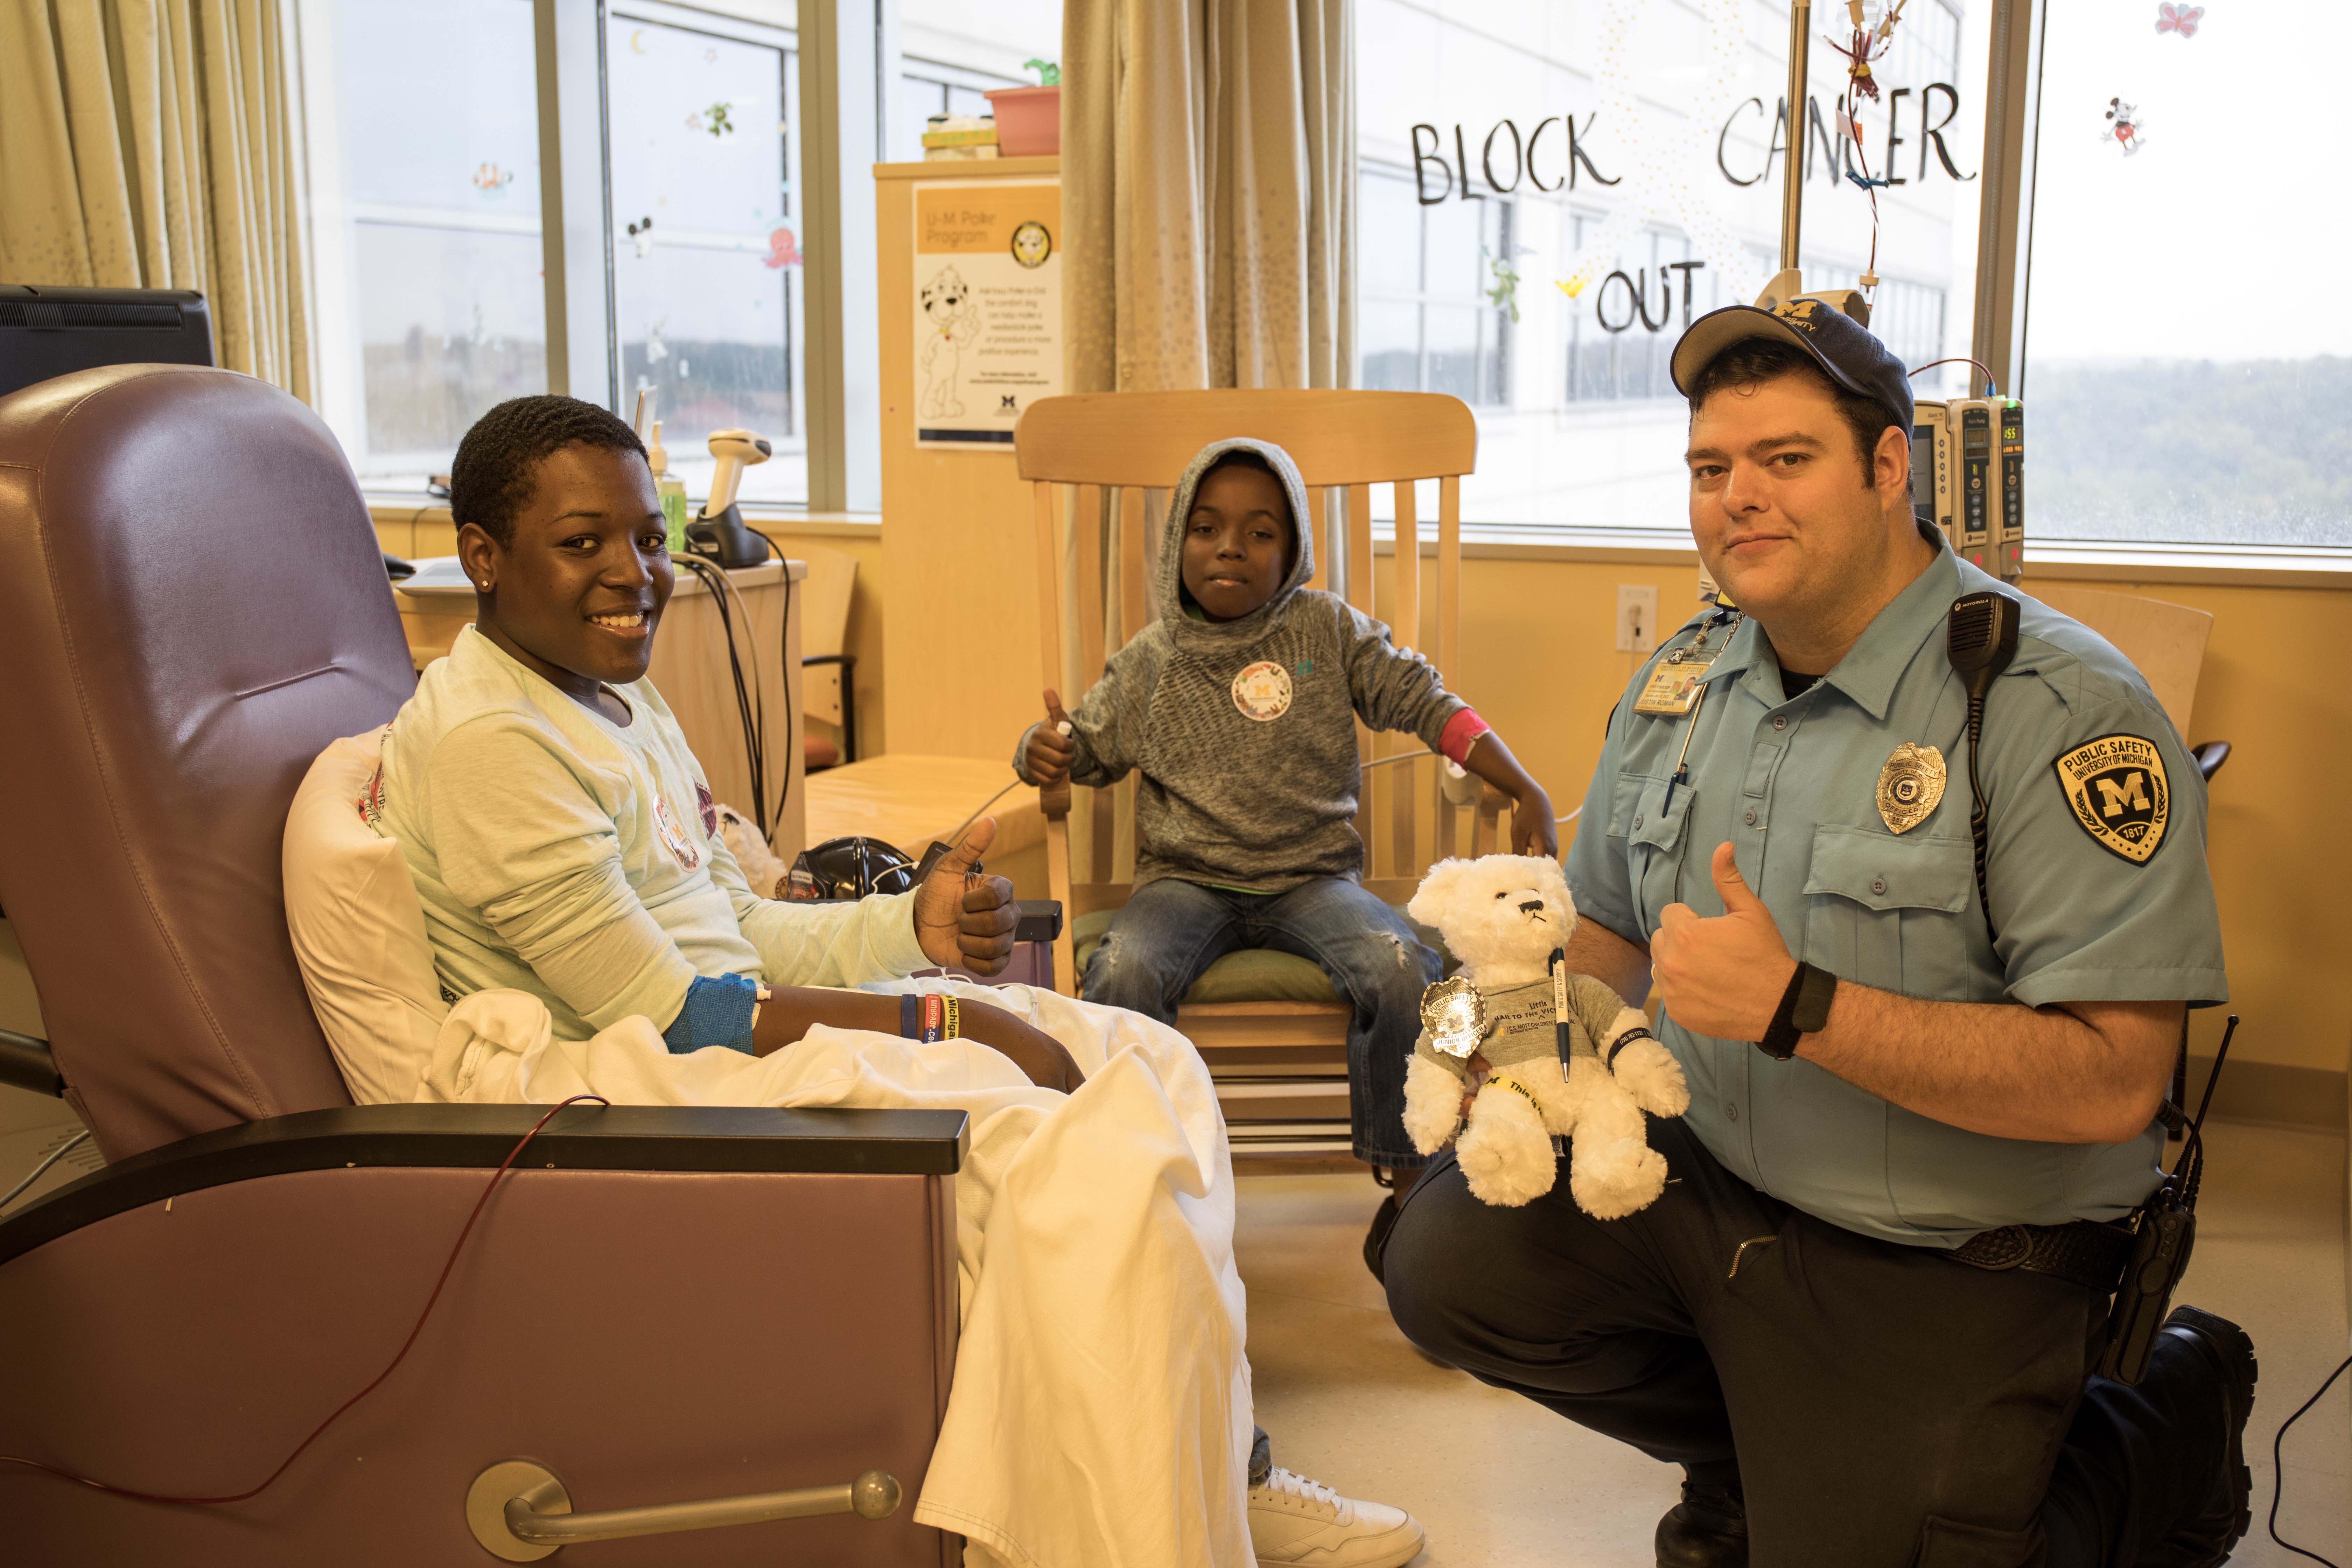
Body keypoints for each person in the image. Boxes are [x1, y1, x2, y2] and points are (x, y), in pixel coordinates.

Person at [373, 395, 1426, 1568]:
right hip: (650, 1080)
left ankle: (1217, 1459)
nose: (637, 574)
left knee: (1150, 1058)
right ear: (481, 555)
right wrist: (943, 1015)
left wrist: (908, 924)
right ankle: (1136, 1531)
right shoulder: (491, 749)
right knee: (1093, 1154)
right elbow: (672, 1012)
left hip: (731, 1023)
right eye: (585, 544)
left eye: (650, 539)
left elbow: (746, 931)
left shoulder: (611, 697)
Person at [1380, 302, 2255, 1568]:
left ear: (1890, 468)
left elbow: (2118, 1080)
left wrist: (1809, 1008)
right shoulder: (1685, 682)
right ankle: (1771, 1452)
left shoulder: (2055, 708)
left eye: (1786, 461)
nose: (1740, 498)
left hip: (1949, 1256)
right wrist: (1490, 1031)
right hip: (1717, 1183)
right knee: (1447, 1256)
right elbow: (1612, 938)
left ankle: (2167, 1418)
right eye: (1710, 468)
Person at [1014, 438, 1557, 1272]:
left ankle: (1410, 1183)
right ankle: (1142, 1180)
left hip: (1312, 877)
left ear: (1293, 548)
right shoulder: (1152, 658)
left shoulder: (1326, 628)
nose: (1231, 545)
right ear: (1178, 546)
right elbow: (1079, 747)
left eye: (1260, 532)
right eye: (1207, 527)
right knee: (1121, 970)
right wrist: (1041, 750)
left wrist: (1523, 783)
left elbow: (1425, 699)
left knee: (1403, 963)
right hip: (1183, 882)